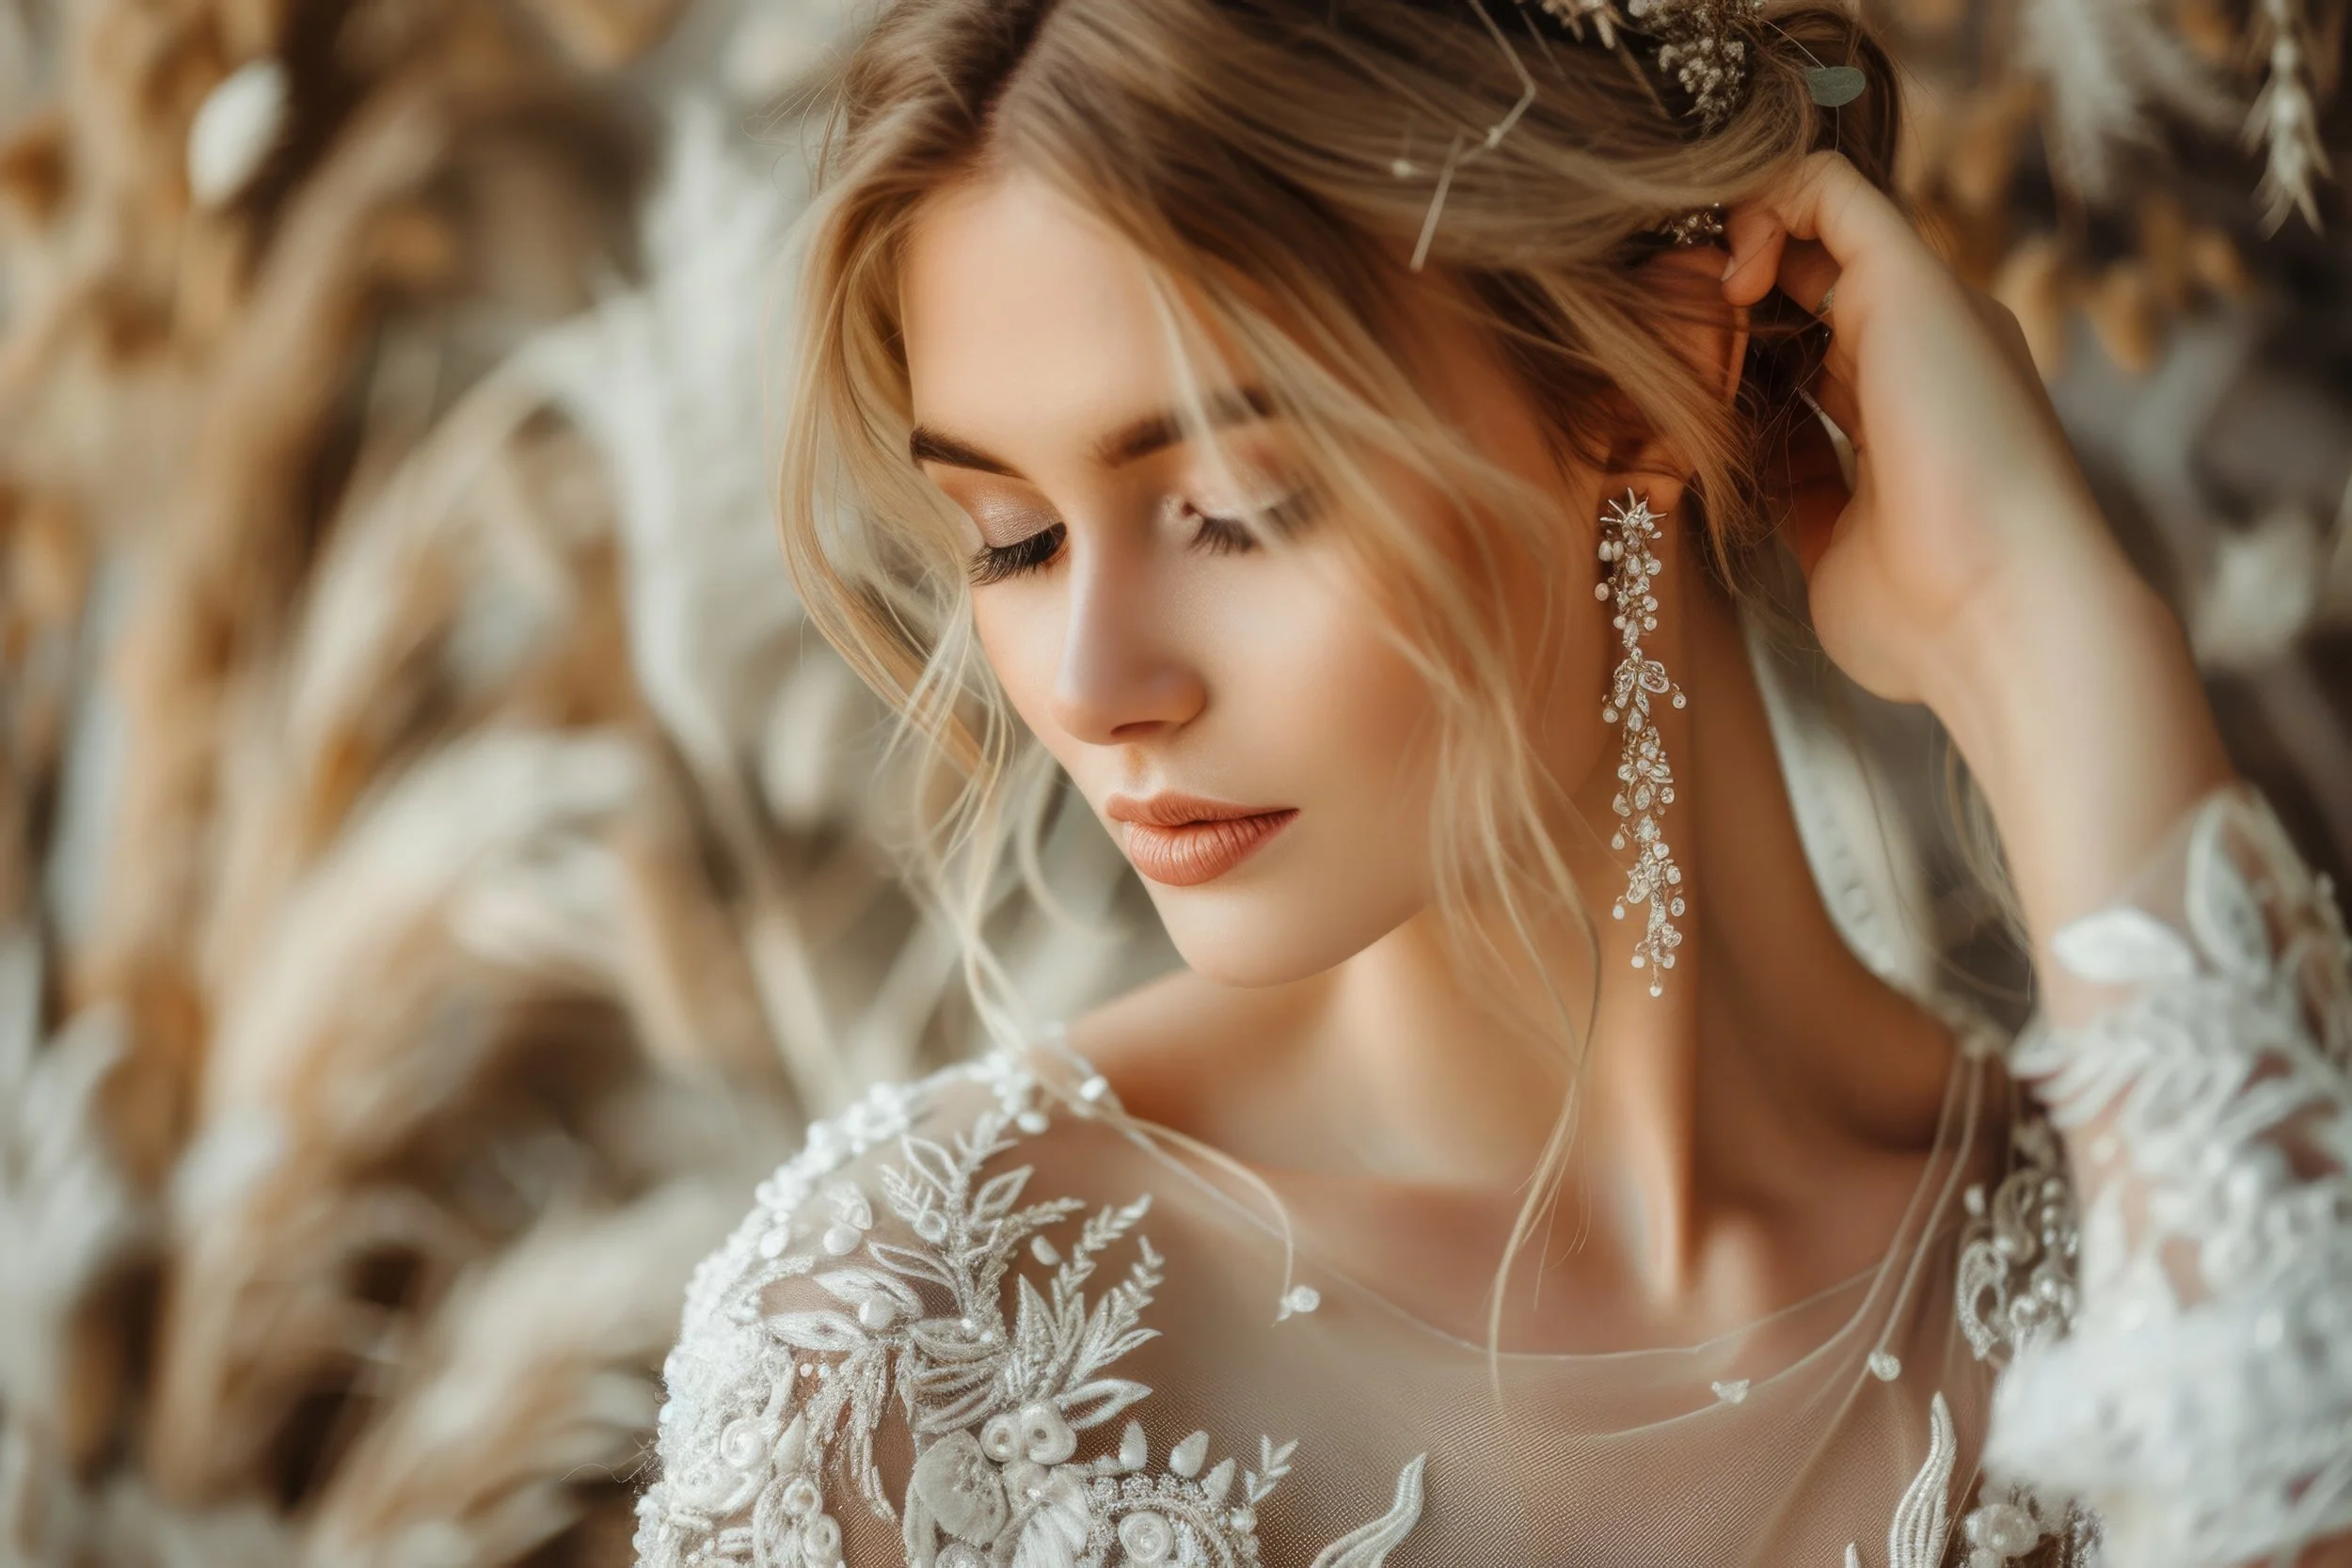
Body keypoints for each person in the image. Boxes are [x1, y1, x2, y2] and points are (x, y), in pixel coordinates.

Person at [631, 0, 2352, 1561]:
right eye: (1010, 540)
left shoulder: (2189, 1240)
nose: (1092, 685)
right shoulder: (904, 1351)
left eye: (1230, 504)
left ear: (1635, 383)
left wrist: (2051, 640)